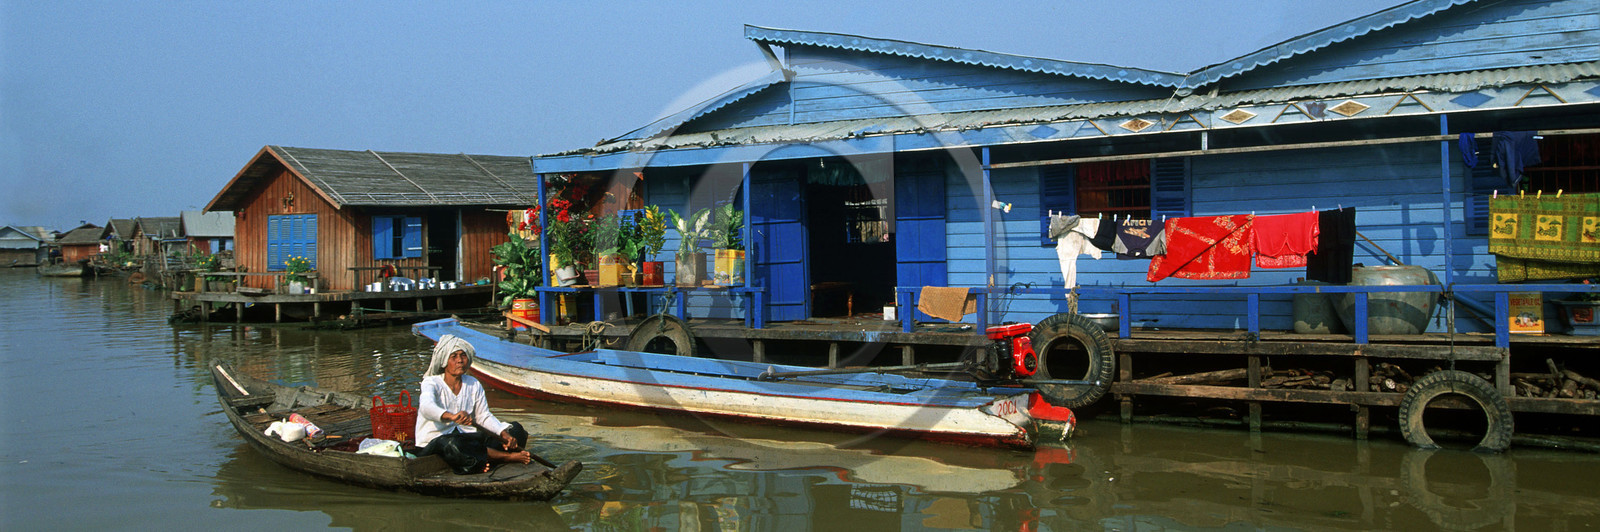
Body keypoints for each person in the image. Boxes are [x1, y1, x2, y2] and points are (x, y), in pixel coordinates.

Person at [414, 334, 532, 474]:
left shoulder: (473, 383)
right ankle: (506, 457)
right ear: (445, 361)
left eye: (463, 356)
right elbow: (426, 407)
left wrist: (503, 433)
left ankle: (485, 457)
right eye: (454, 357)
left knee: (516, 430)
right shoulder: (431, 382)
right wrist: (451, 416)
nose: (460, 361)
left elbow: (483, 416)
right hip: (436, 442)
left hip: (467, 437)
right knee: (453, 443)